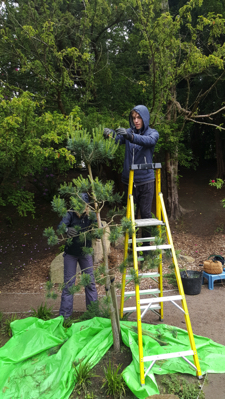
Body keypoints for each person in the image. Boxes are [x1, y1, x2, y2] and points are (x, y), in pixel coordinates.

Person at [104, 105, 159, 243]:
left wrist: (131, 136)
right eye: (134, 118)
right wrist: (108, 134)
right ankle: (130, 249)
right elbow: (116, 138)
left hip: (146, 181)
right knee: (131, 216)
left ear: (145, 118)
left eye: (139, 117)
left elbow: (149, 141)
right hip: (129, 182)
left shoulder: (153, 133)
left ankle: (146, 252)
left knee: (146, 215)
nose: (136, 120)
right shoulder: (128, 132)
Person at [58, 193, 98, 319]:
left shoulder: (91, 214)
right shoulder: (69, 213)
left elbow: (98, 227)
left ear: (86, 205)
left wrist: (98, 231)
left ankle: (93, 315)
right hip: (71, 254)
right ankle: (65, 317)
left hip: (85, 253)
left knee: (90, 283)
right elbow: (60, 226)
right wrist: (66, 230)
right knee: (69, 284)